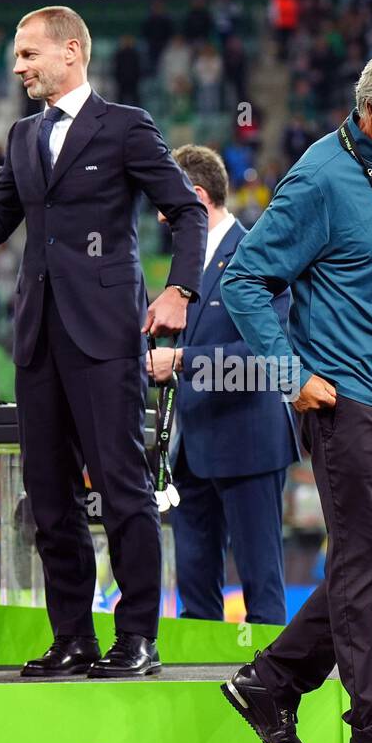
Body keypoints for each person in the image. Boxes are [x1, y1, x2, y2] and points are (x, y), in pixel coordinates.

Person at [0, 6, 206, 678]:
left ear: (70, 53)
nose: (18, 66)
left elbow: (185, 210)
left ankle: (138, 639)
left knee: (122, 486)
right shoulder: (22, 136)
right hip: (39, 336)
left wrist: (179, 288)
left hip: (105, 335)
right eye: (16, 55)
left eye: (29, 54)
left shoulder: (125, 126)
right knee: (50, 493)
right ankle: (73, 638)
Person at [219, 43, 372, 743]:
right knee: (359, 560)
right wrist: (291, 373)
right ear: (371, 110)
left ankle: (273, 679)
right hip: (345, 400)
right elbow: (244, 279)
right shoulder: (319, 178)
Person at [148, 145, 299, 625]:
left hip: (248, 442)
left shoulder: (258, 255)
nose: (157, 215)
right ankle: (196, 691)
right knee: (195, 595)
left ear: (195, 197)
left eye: (165, 203)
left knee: (262, 589)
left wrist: (182, 361)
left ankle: (274, 692)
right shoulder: (179, 268)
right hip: (190, 451)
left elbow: (264, 359)